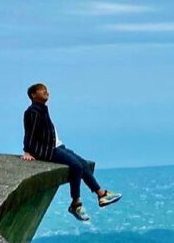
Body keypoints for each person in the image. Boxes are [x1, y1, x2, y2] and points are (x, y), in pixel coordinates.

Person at [21, 83, 121, 221]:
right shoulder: (32, 112)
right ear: (33, 95)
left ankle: (101, 194)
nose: (47, 93)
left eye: (47, 91)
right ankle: (76, 203)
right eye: (42, 91)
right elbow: (29, 133)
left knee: (83, 163)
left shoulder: (42, 109)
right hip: (48, 150)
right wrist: (27, 151)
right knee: (76, 166)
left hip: (58, 146)